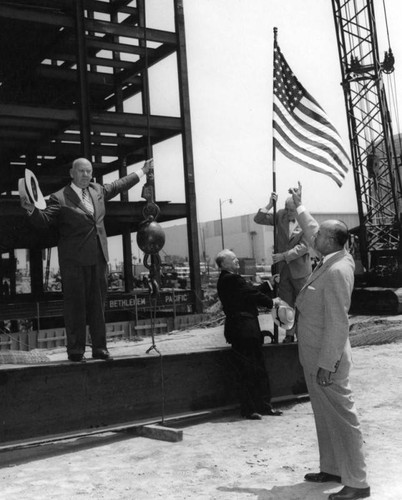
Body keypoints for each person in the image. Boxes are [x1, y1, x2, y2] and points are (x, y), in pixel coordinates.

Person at [21, 157, 151, 362]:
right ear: (72, 173)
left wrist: (142, 171)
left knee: (98, 306)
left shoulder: (97, 190)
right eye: (81, 171)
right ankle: (75, 350)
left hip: (98, 258)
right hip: (73, 262)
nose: (86, 175)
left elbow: (118, 185)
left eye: (89, 171)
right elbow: (43, 221)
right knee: (75, 306)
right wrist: (30, 209)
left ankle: (100, 348)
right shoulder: (58, 197)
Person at [289, 183, 370, 500]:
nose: (311, 237)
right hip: (313, 356)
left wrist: (326, 363)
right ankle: (333, 469)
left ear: (331, 241)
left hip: (328, 360)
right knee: (325, 417)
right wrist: (299, 206)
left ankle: (357, 483)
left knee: (344, 419)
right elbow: (313, 228)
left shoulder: (337, 270)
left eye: (318, 236)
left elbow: (338, 323)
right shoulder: (330, 254)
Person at [215, 249, 283, 420]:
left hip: (245, 329)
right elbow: (250, 294)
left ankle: (262, 406)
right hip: (243, 329)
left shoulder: (228, 280)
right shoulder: (231, 279)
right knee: (248, 370)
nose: (237, 260)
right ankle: (250, 408)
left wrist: (269, 284)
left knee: (256, 368)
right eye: (233, 258)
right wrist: (271, 302)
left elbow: (249, 291)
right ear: (224, 264)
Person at [254, 192, 311, 342]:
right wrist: (269, 205)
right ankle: (289, 335)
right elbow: (258, 219)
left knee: (302, 305)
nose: (288, 212)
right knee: (285, 305)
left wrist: (284, 256)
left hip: (300, 271)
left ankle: (303, 335)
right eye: (286, 208)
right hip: (283, 271)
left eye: (291, 209)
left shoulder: (306, 221)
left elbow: (304, 247)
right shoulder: (280, 215)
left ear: (298, 208)